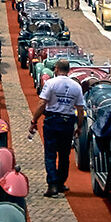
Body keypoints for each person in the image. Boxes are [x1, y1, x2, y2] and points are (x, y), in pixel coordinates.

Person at [33, 59, 85, 197]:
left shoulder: (51, 83)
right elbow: (80, 110)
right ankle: (61, 183)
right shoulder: (76, 86)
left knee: (50, 154)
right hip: (68, 122)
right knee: (64, 154)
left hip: (52, 120)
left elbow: (42, 103)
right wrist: (79, 127)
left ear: (56, 69)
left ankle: (52, 185)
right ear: (68, 70)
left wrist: (34, 120)